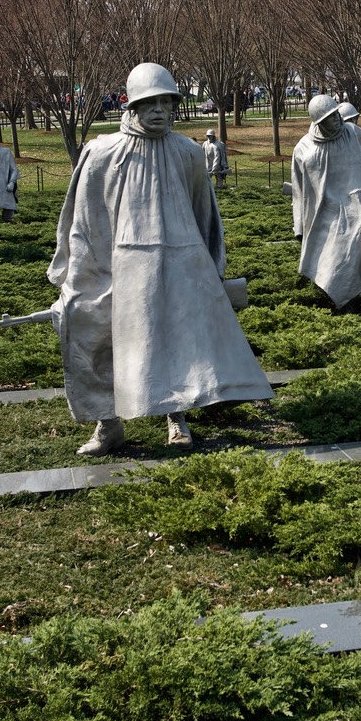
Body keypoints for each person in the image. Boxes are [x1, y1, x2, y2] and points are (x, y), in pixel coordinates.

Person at [48, 62, 273, 457]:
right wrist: (80, 276)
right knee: (98, 336)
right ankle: (108, 424)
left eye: (166, 102)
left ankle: (177, 417)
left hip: (178, 268)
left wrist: (212, 271)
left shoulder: (187, 153)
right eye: (149, 102)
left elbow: (206, 215)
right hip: (113, 268)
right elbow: (84, 222)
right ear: (131, 106)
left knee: (176, 339)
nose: (158, 110)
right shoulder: (102, 153)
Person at [291, 94, 361, 308]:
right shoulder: (304, 150)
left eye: (337, 115)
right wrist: (299, 226)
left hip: (358, 205)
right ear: (318, 122)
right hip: (324, 212)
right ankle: (340, 298)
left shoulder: (352, 133)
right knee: (331, 256)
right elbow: (299, 191)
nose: (338, 120)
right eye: (330, 118)